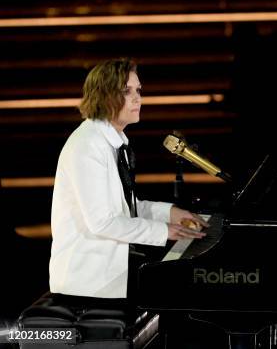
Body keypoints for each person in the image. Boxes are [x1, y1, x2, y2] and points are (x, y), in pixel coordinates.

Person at [49, 58, 207, 308]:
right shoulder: (87, 145)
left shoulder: (110, 141)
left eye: (138, 90)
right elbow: (103, 221)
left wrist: (169, 213)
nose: (137, 98)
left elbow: (124, 207)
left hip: (106, 275)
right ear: (104, 95)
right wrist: (164, 231)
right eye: (127, 91)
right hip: (88, 282)